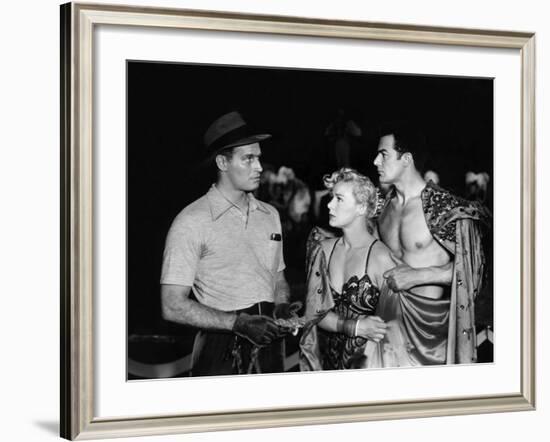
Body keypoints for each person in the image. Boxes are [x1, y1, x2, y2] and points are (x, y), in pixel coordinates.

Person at [160, 111, 300, 377]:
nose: (259, 167)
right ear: (222, 162)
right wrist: (238, 324)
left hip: (272, 349)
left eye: (258, 157)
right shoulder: (191, 221)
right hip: (220, 352)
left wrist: (281, 306)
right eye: (248, 159)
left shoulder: (270, 215)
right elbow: (172, 305)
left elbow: (277, 279)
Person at [368, 122, 489, 366]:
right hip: (386, 329)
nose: (375, 162)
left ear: (407, 159)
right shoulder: (381, 208)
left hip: (430, 334)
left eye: (383, 154)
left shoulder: (445, 208)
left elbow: (475, 272)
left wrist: (419, 276)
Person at [300, 168, 394, 371]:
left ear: (361, 207)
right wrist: (356, 326)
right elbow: (313, 313)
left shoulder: (382, 258)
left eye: (339, 199)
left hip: (369, 369)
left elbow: (394, 329)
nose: (329, 204)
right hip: (327, 368)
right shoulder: (323, 250)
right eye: (331, 197)